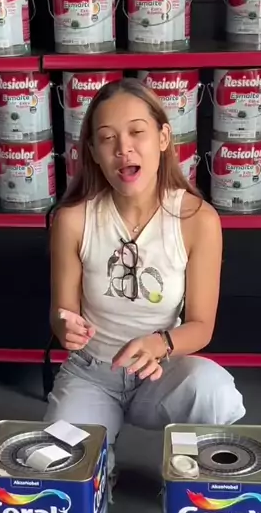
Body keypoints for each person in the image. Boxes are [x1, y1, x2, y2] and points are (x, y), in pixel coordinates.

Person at [43, 77, 245, 491]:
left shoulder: (198, 219)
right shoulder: (72, 220)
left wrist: (160, 344)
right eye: (107, 138)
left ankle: (195, 483)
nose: (124, 148)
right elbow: (60, 315)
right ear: (93, 153)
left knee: (214, 391)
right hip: (92, 374)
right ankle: (99, 462)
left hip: (161, 371)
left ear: (163, 138)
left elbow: (202, 326)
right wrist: (65, 328)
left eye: (137, 132)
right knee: (60, 468)